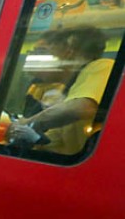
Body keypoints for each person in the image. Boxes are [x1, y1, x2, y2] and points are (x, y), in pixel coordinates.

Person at [7, 25, 112, 155]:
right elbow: (51, 143)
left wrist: (28, 123)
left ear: (69, 50)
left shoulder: (102, 66)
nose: (34, 57)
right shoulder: (71, 91)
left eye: (42, 51)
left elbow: (81, 108)